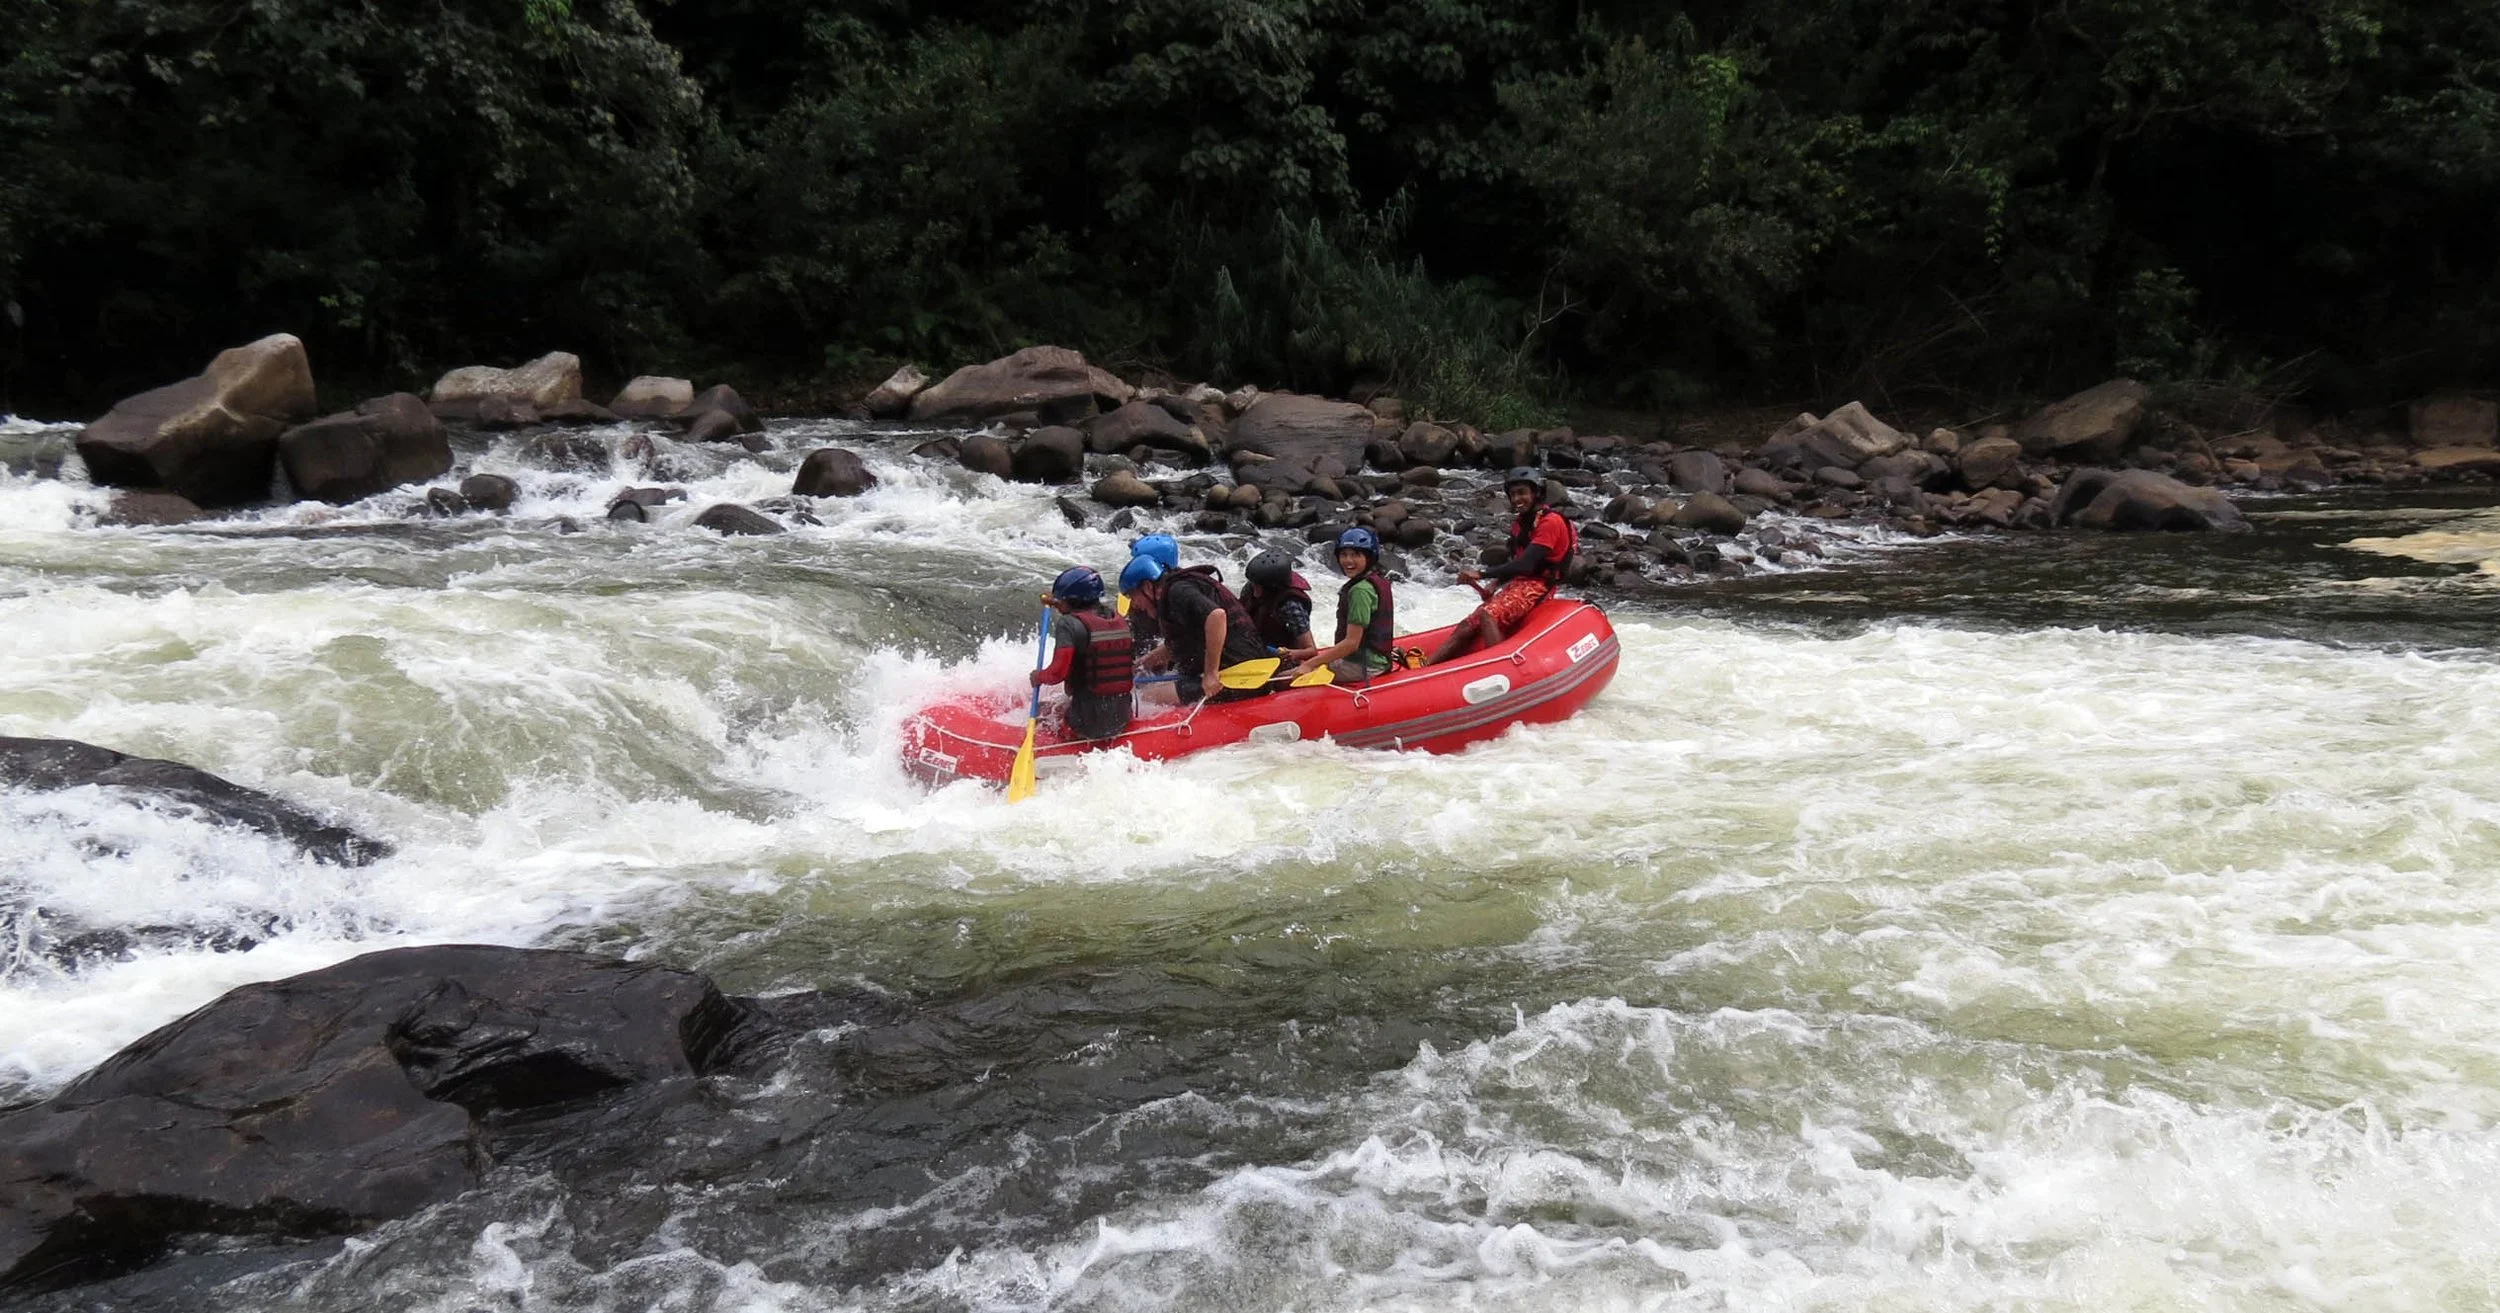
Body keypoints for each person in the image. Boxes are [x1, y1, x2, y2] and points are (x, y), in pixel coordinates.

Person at [1424, 468, 1577, 666]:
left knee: (1489, 616)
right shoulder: (1520, 524)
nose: (1516, 499)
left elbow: (1526, 563)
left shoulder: (1550, 522)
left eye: (1522, 493)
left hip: (1539, 586)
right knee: (1466, 627)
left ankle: (1502, 668)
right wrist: (1495, 583)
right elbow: (1516, 562)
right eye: (1512, 494)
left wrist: (1481, 574)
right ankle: (1423, 671)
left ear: (1536, 493)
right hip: (1520, 583)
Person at [1124, 553, 1271, 703]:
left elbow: (1217, 616)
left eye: (1132, 596)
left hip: (1238, 674)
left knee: (1146, 697)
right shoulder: (1172, 592)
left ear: (1148, 587)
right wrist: (1145, 663)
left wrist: (1210, 674)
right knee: (1150, 686)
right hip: (1232, 665)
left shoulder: (1178, 591)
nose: (1135, 604)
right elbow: (1187, 640)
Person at [1030, 566, 1134, 740]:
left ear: (1071, 599)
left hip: (1086, 723)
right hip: (1123, 716)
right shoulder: (1117, 618)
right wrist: (1057, 601)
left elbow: (1057, 674)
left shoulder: (1068, 624)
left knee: (1044, 710)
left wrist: (1038, 677)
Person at [1285, 527, 1396, 684]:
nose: (1348, 561)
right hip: (1371, 660)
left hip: (1364, 666)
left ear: (1369, 557)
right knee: (1293, 673)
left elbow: (1351, 643)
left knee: (1285, 681)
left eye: (1356, 555)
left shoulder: (1361, 591)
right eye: (1344, 555)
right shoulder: (1373, 581)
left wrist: (1310, 664)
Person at [1241, 549, 1317, 653]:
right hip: (1253, 644)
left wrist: (1287, 653)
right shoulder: (1251, 585)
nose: (1255, 594)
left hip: (1279, 652)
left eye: (1260, 588)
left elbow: (1310, 650)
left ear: (1275, 587)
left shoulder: (1290, 605)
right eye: (1254, 586)